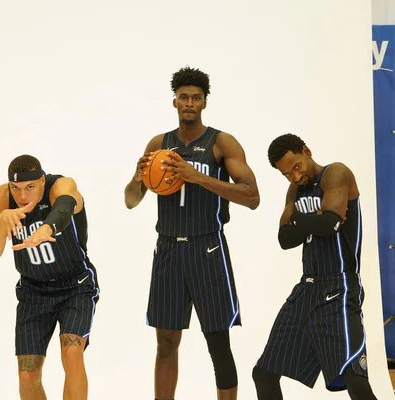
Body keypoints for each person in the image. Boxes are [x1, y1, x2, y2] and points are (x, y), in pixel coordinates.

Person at [124, 66, 260, 400]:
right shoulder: (159, 144)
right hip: (168, 249)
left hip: (207, 248)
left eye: (196, 98)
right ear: (174, 102)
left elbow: (252, 197)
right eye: (184, 97)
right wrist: (140, 178)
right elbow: (130, 201)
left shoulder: (220, 142)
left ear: (204, 103)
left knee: (218, 341)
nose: (189, 103)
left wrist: (196, 176)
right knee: (165, 342)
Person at [252, 133, 377, 400]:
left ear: (306, 151)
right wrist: (312, 218)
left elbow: (330, 225)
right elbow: (284, 240)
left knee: (354, 378)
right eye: (286, 174)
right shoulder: (296, 189)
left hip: (339, 287)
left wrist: (297, 217)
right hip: (306, 288)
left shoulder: (336, 173)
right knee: (263, 373)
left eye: (296, 167)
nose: (295, 177)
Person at [0, 155, 99, 400]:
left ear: (42, 181)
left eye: (30, 187)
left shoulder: (60, 186)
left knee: (72, 353)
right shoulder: (4, 198)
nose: (22, 196)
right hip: (33, 291)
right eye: (16, 188)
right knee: (27, 374)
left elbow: (66, 206)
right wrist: (0, 220)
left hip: (74, 285)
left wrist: (46, 228)